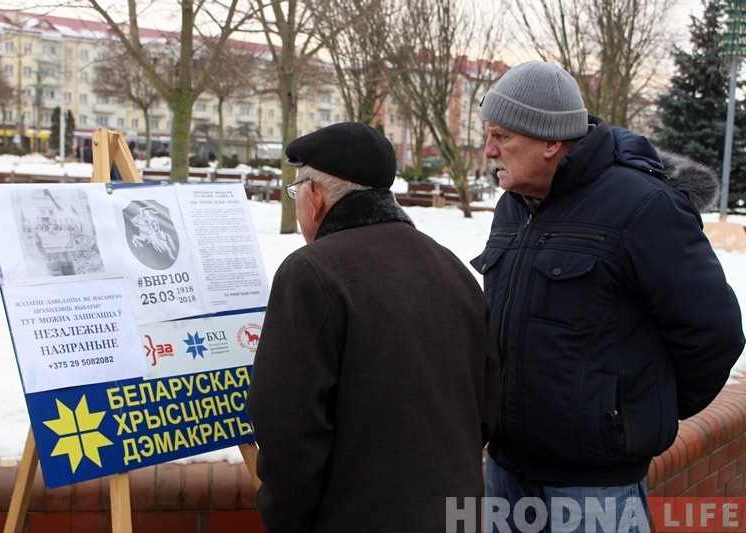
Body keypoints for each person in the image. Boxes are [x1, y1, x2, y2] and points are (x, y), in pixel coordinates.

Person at [473, 60, 745, 532]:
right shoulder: (511, 209)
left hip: (594, 489)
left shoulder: (644, 206)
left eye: (502, 136)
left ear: (551, 141)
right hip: (505, 473)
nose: (489, 149)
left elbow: (713, 333)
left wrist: (631, 416)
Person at [247, 122, 501, 533]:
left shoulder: (310, 272)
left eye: (296, 191)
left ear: (314, 197)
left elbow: (289, 429)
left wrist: (286, 518)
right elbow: (487, 408)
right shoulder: (449, 266)